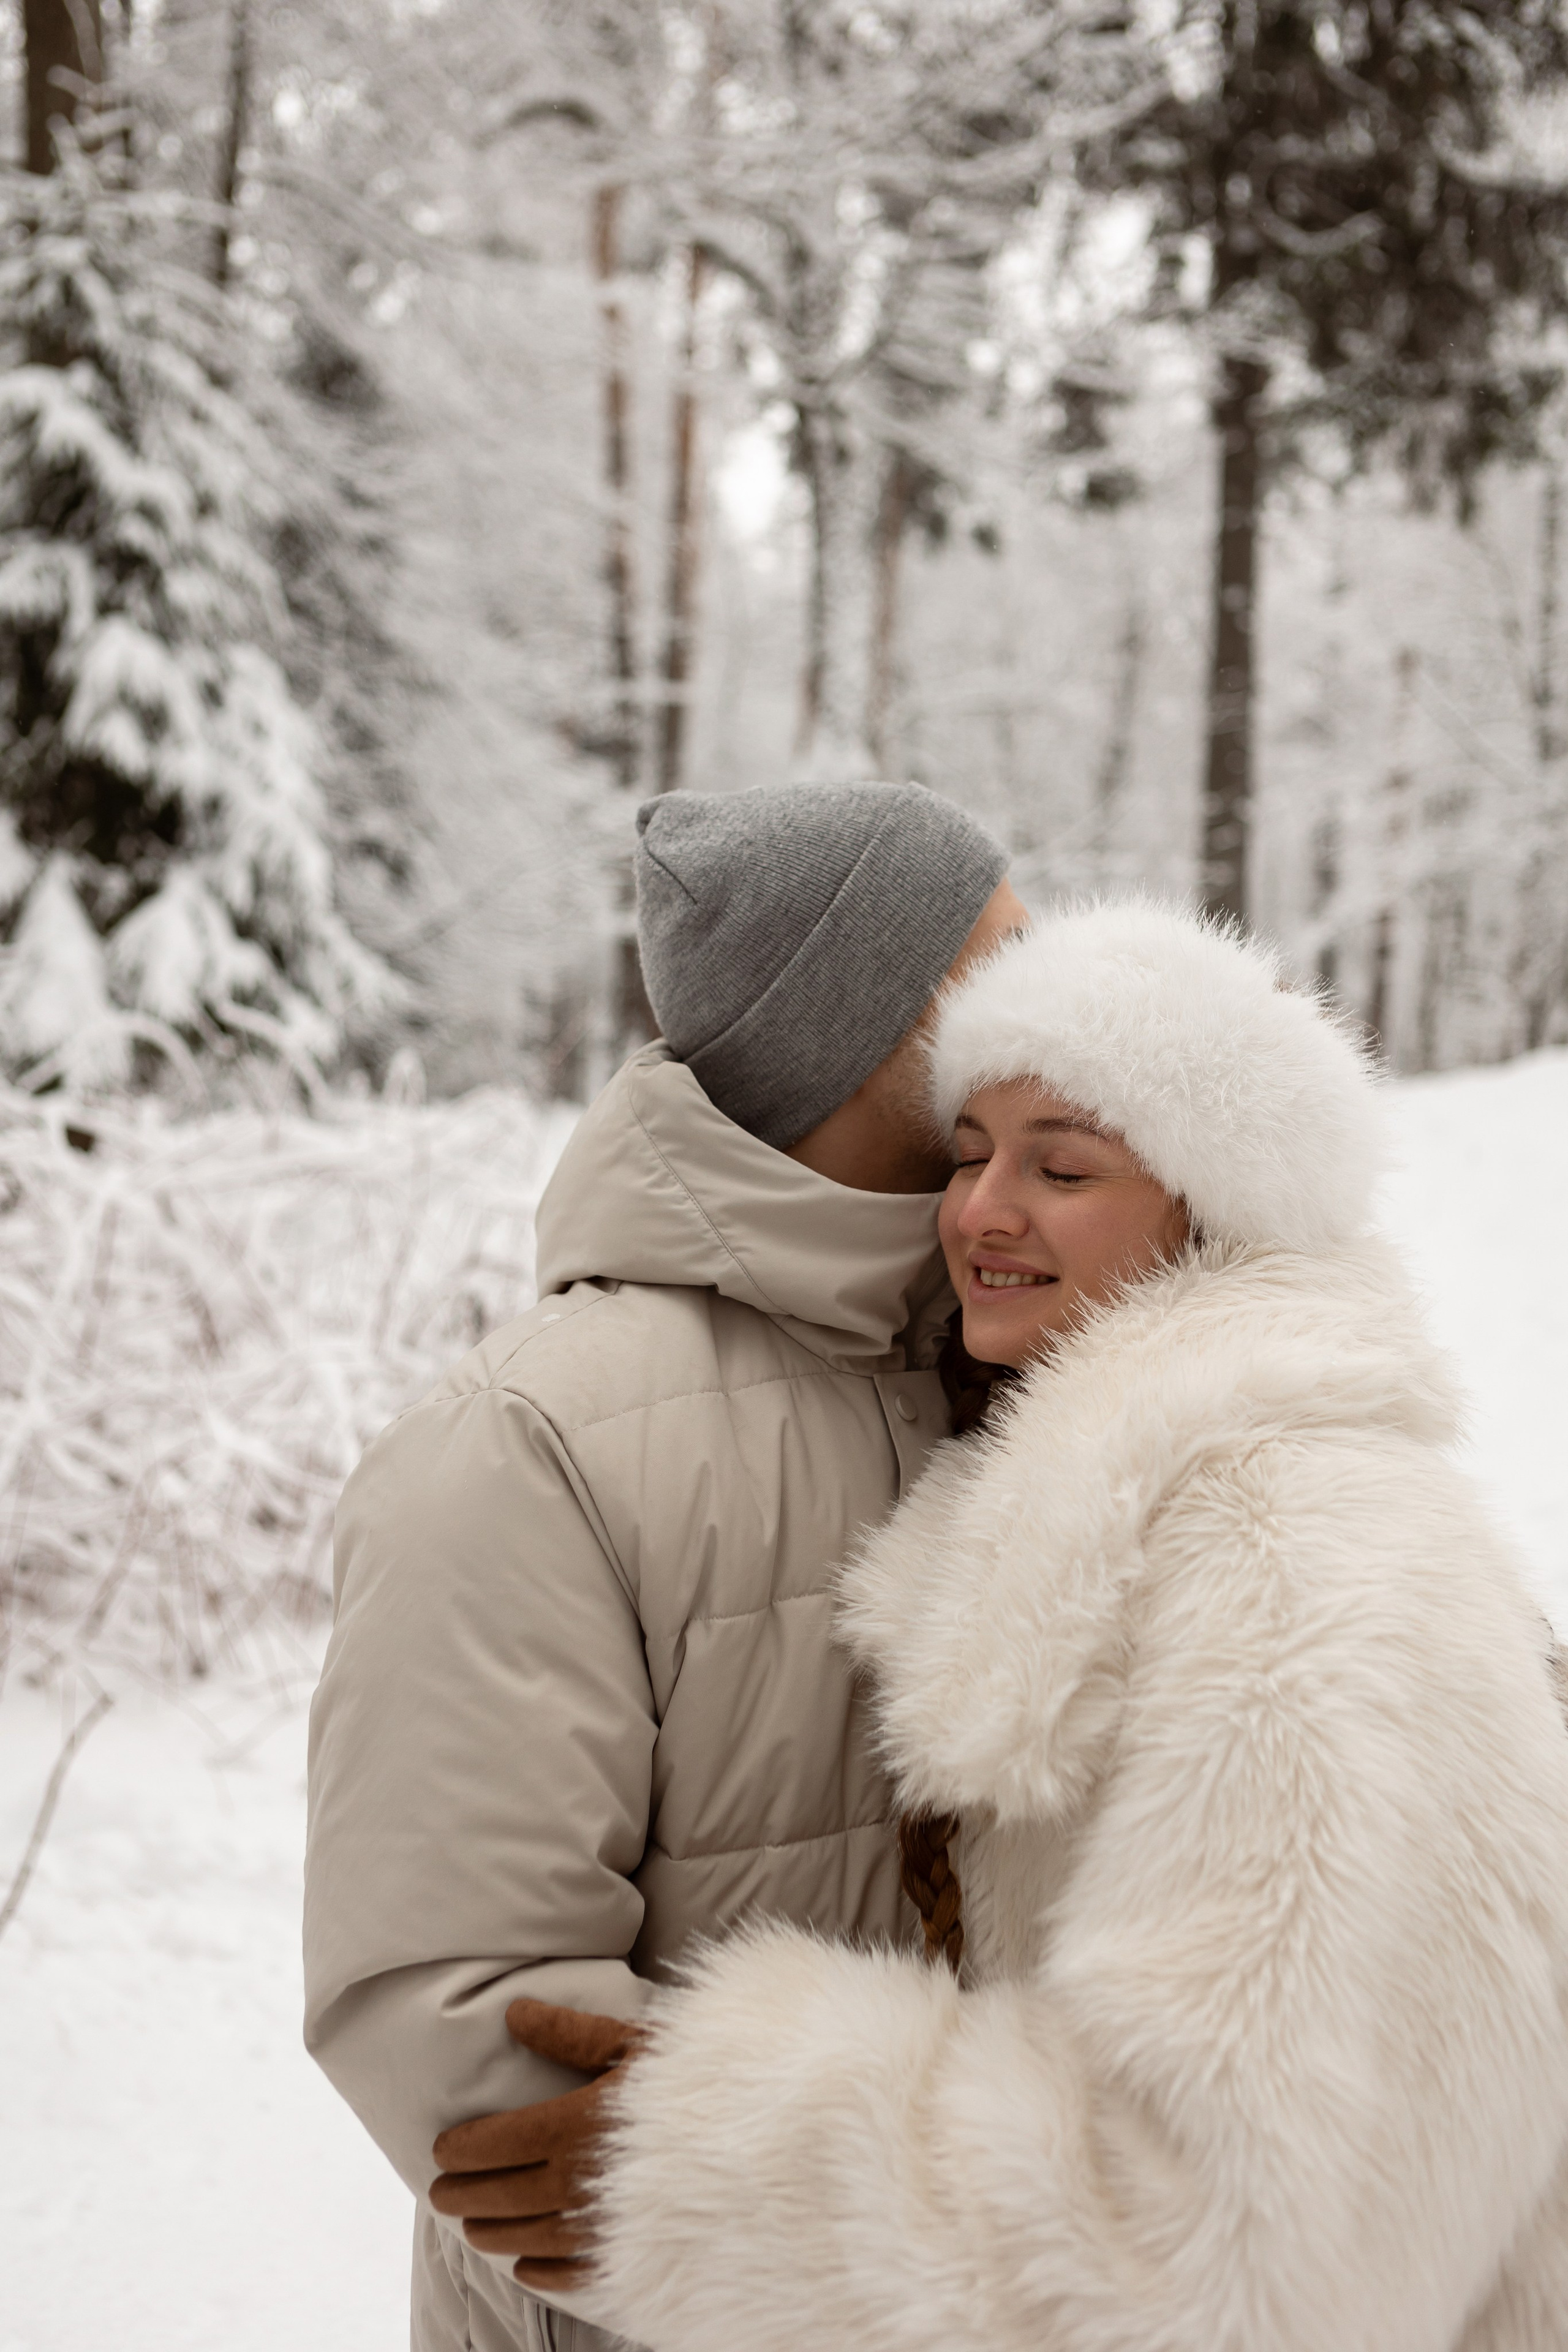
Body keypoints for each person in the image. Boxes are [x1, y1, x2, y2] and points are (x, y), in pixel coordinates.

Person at [435, 901, 1568, 2352]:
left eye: (1063, 1164)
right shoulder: (1135, 1505)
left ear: (1206, 1207)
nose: (979, 1210)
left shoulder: (1291, 1556)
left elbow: (1244, 2249)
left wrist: (713, 2156)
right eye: (966, 1151)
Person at [303, 780, 1026, 2352]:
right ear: (880, 1026)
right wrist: (855, 2190)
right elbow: (466, 2028)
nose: (1054, 1003)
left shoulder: (1049, 1359)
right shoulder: (526, 1444)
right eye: (1004, 956)